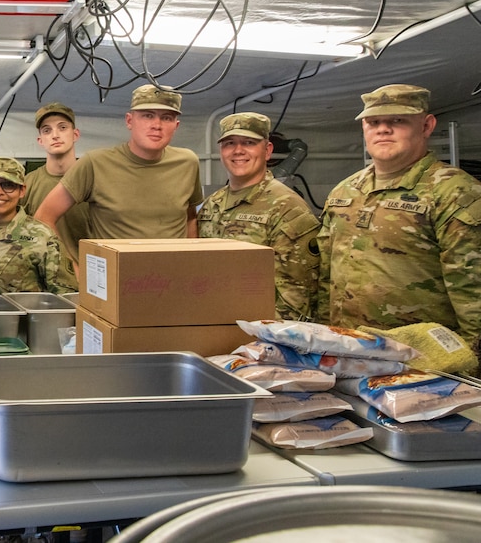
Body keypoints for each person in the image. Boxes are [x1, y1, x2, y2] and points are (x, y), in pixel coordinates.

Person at [317, 84, 481, 353]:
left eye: (397, 120)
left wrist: (471, 369)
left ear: (427, 126)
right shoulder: (345, 191)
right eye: (373, 122)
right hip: (347, 350)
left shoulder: (455, 192)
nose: (383, 129)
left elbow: (473, 294)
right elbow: (326, 276)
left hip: (420, 360)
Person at [35, 84, 203, 242]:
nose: (157, 125)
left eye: (166, 118)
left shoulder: (187, 162)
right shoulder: (95, 164)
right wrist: (71, 267)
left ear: (176, 125)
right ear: (129, 121)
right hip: (114, 272)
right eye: (148, 116)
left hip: (173, 271)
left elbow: (189, 218)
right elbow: (44, 217)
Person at [197, 112, 320, 320]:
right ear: (221, 151)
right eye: (229, 143)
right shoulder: (212, 204)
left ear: (267, 150)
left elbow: (298, 295)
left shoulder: (287, 207)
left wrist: (266, 342)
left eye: (249, 142)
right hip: (216, 322)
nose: (238, 151)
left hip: (263, 336)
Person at [0, 157, 75, 296]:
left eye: (8, 185)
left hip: (20, 318)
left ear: (22, 190)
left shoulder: (42, 237)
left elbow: (65, 297)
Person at [22, 102, 90, 287]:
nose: (55, 135)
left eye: (62, 127)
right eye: (47, 130)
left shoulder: (94, 179)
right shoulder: (27, 184)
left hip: (89, 279)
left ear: (75, 134)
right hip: (42, 282)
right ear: (40, 140)